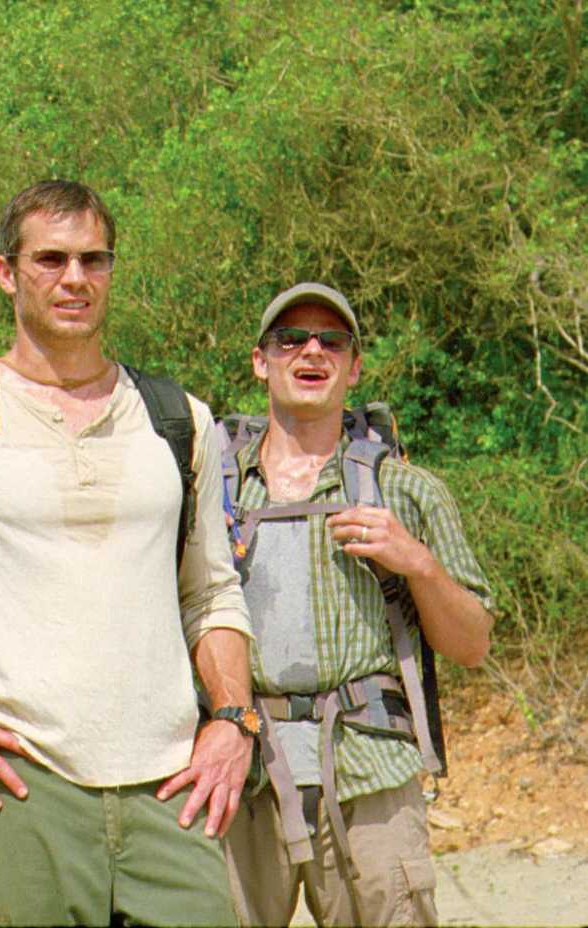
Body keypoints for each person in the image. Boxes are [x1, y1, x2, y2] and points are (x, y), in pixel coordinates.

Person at [0, 180, 257, 925]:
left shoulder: (178, 420)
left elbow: (210, 593)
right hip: (19, 784)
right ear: (6, 272)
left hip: (172, 784)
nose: (75, 279)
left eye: (94, 260)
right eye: (51, 259)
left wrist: (232, 719)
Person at [219, 283, 493, 926]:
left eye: (331, 341)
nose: (311, 351)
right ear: (262, 361)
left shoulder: (404, 489)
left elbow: (473, 644)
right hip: (243, 772)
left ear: (354, 365)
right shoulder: (215, 488)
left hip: (372, 773)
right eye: (291, 339)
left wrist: (416, 562)